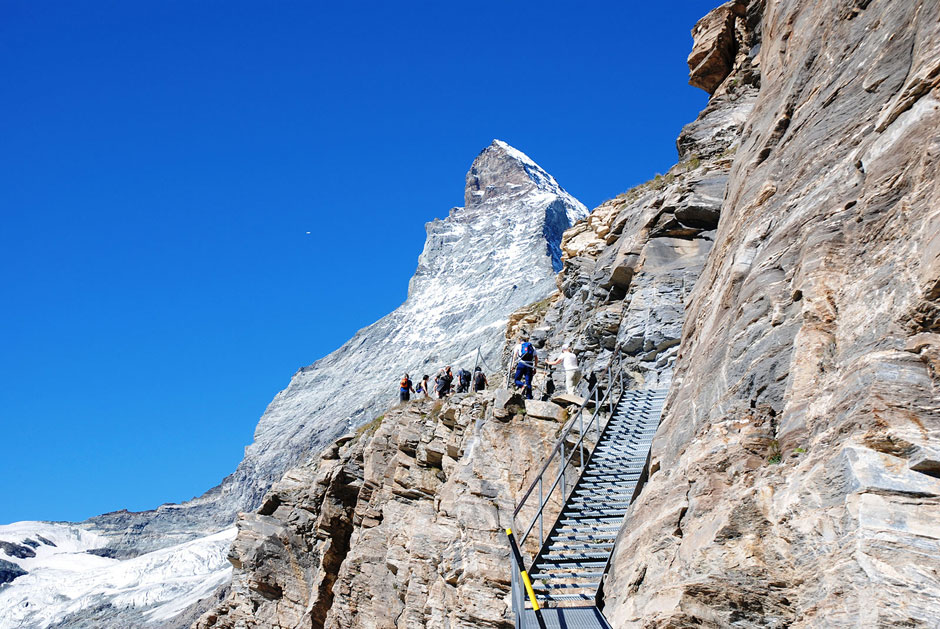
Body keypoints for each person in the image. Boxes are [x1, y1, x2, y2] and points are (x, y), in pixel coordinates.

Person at [512, 335, 538, 399]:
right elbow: (536, 358)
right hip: (530, 365)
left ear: (520, 341)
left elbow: (515, 355)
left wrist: (512, 365)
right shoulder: (532, 347)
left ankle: (522, 385)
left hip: (521, 364)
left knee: (517, 379)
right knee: (528, 381)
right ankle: (529, 398)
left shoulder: (518, 346)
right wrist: (535, 368)